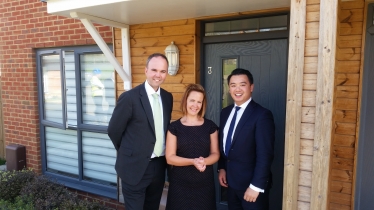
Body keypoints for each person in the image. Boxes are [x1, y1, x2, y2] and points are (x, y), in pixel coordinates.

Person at [107, 53, 173, 210]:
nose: (158, 75)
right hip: (134, 168)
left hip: (158, 167)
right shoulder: (130, 98)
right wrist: (129, 152)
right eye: (154, 70)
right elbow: (113, 131)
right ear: (146, 70)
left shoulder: (168, 98)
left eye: (163, 71)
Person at [218, 68, 275, 210]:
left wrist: (256, 186)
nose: (237, 89)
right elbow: (224, 143)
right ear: (229, 88)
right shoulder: (225, 113)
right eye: (233, 85)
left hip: (252, 187)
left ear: (251, 87)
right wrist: (222, 168)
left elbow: (265, 154)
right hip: (231, 184)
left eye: (242, 85)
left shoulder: (262, 115)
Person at [165, 84, 219, 210]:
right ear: (185, 101)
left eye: (199, 102)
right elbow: (170, 158)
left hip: (204, 185)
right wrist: (193, 161)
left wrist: (204, 161)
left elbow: (215, 154)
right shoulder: (174, 128)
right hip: (180, 185)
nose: (195, 105)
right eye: (192, 100)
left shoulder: (210, 126)